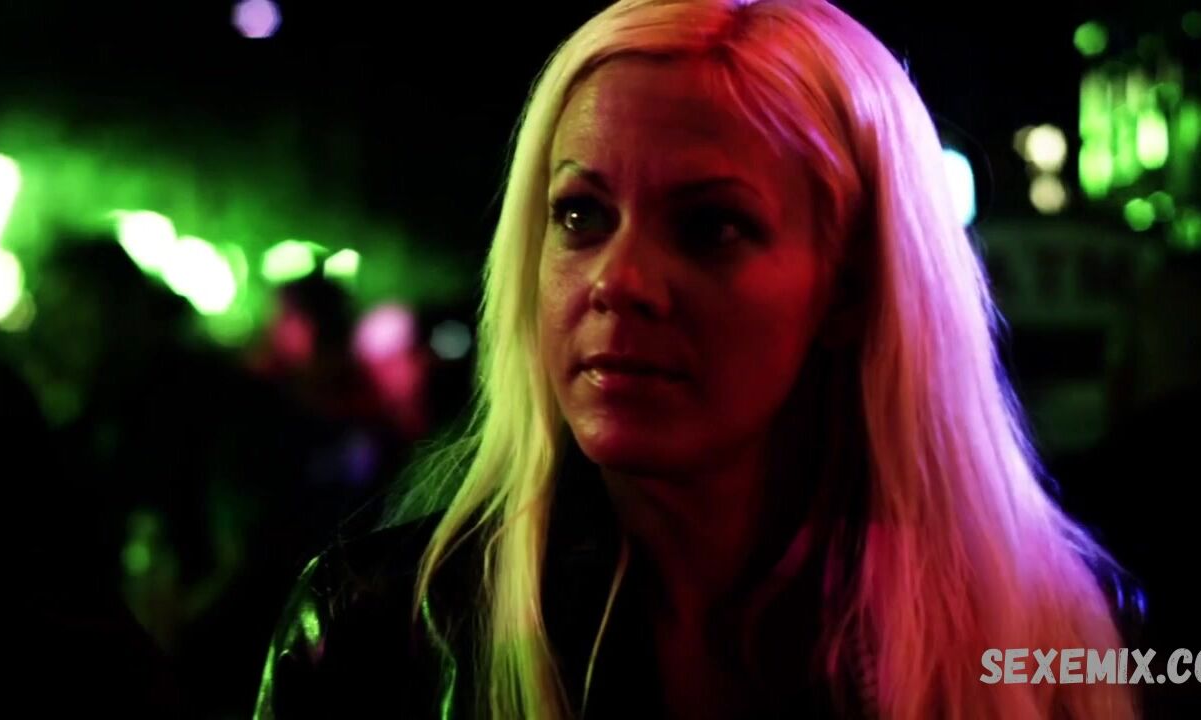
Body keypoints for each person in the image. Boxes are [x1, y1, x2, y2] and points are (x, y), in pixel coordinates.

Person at [254, 1, 1143, 718]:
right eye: (580, 215)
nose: (619, 281)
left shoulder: (1052, 639)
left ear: (851, 287)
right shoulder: (377, 637)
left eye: (711, 225)